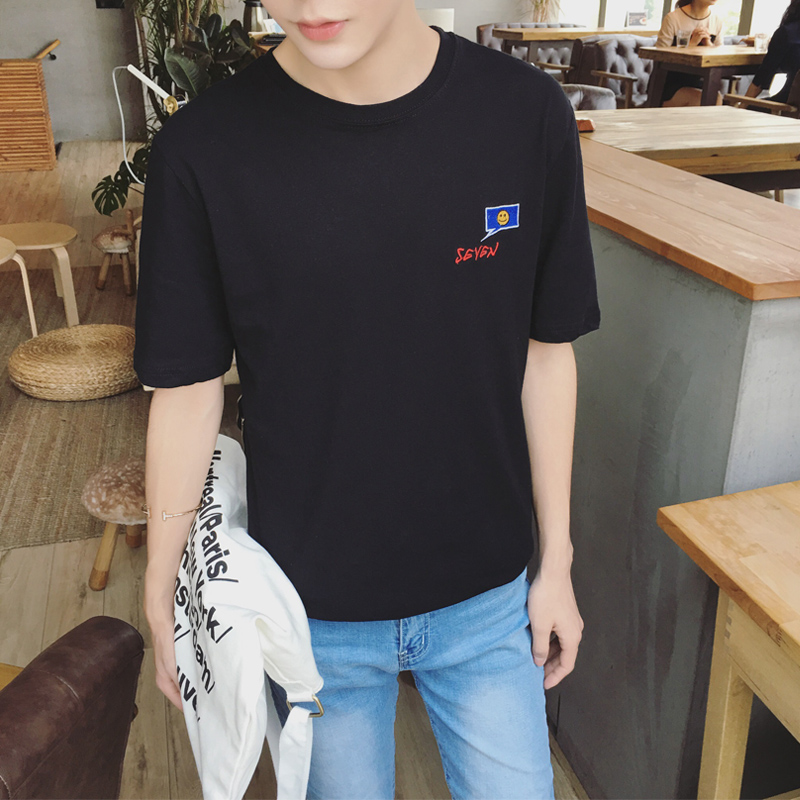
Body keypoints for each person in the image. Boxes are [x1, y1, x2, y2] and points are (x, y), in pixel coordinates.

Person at [133, 1, 600, 798]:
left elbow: (546, 354)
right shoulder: (203, 149)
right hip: (309, 614)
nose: (312, 5)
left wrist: (555, 559)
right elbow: (187, 387)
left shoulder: (525, 115)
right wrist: (161, 578)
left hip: (488, 598)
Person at [657, 0, 724, 107]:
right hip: (668, 83)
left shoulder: (716, 20)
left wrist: (708, 43)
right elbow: (659, 56)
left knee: (716, 97)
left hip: (697, 81)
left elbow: (720, 57)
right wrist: (692, 44)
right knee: (697, 98)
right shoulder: (673, 18)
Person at [740, 0, 800, 106]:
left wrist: (742, 106)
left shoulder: (787, 33)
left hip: (790, 107)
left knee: (745, 108)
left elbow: (763, 77)